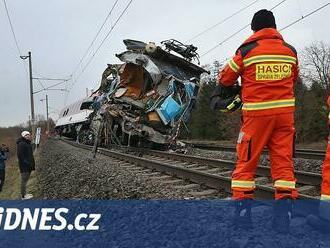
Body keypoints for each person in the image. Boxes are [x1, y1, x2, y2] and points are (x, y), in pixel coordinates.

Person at [216, 9, 299, 230]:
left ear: (254, 29)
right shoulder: (290, 52)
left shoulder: (246, 51)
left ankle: (243, 216)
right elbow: (294, 78)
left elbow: (225, 78)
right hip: (284, 117)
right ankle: (284, 215)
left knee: (246, 163)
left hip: (256, 117)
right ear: (274, 28)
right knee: (283, 163)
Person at [17, 131, 35, 199]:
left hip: (28, 166)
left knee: (25, 180)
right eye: (26, 135)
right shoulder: (22, 144)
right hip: (25, 167)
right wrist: (27, 163)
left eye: (28, 135)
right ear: (23, 136)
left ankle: (25, 194)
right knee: (24, 181)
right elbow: (20, 156)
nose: (28, 136)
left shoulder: (27, 143)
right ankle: (23, 196)